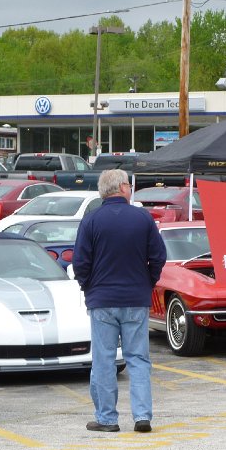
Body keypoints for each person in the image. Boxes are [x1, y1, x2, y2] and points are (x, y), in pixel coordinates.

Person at [73, 168, 167, 433]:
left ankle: (106, 418)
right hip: (135, 298)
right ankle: (142, 416)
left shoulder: (91, 220)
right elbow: (158, 256)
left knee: (103, 360)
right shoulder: (142, 218)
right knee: (138, 359)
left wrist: (88, 287)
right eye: (129, 185)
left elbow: (80, 262)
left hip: (102, 299)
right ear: (122, 188)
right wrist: (147, 282)